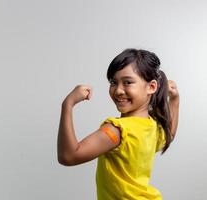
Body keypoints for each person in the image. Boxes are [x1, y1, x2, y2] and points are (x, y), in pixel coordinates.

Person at [57, 48, 179, 199]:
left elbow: (68, 156)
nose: (118, 90)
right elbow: (170, 134)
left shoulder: (117, 131)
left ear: (152, 87)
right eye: (113, 82)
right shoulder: (151, 126)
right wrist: (175, 100)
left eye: (127, 82)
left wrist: (67, 105)